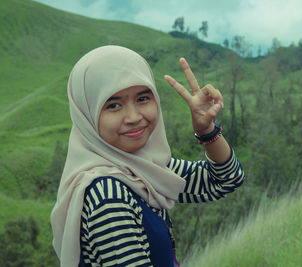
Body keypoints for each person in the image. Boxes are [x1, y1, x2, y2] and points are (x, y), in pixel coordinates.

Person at [50, 45, 245, 267]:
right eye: (113, 105)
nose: (133, 117)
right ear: (87, 113)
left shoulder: (143, 167)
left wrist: (206, 130)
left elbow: (226, 180)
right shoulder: (108, 198)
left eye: (143, 99)